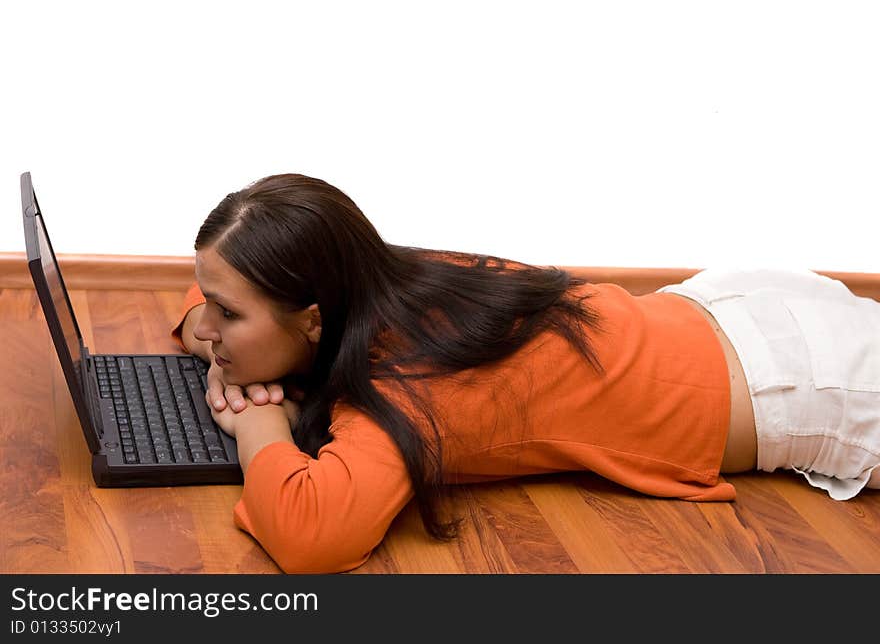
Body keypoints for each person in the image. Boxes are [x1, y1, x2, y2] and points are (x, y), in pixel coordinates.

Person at [171, 173, 880, 574]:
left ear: (315, 317)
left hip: (806, 387)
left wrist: (259, 423)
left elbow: (311, 532)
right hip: (732, 308)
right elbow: (200, 300)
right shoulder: (387, 277)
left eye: (225, 316)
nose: (205, 327)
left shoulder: (406, 381)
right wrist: (225, 348)